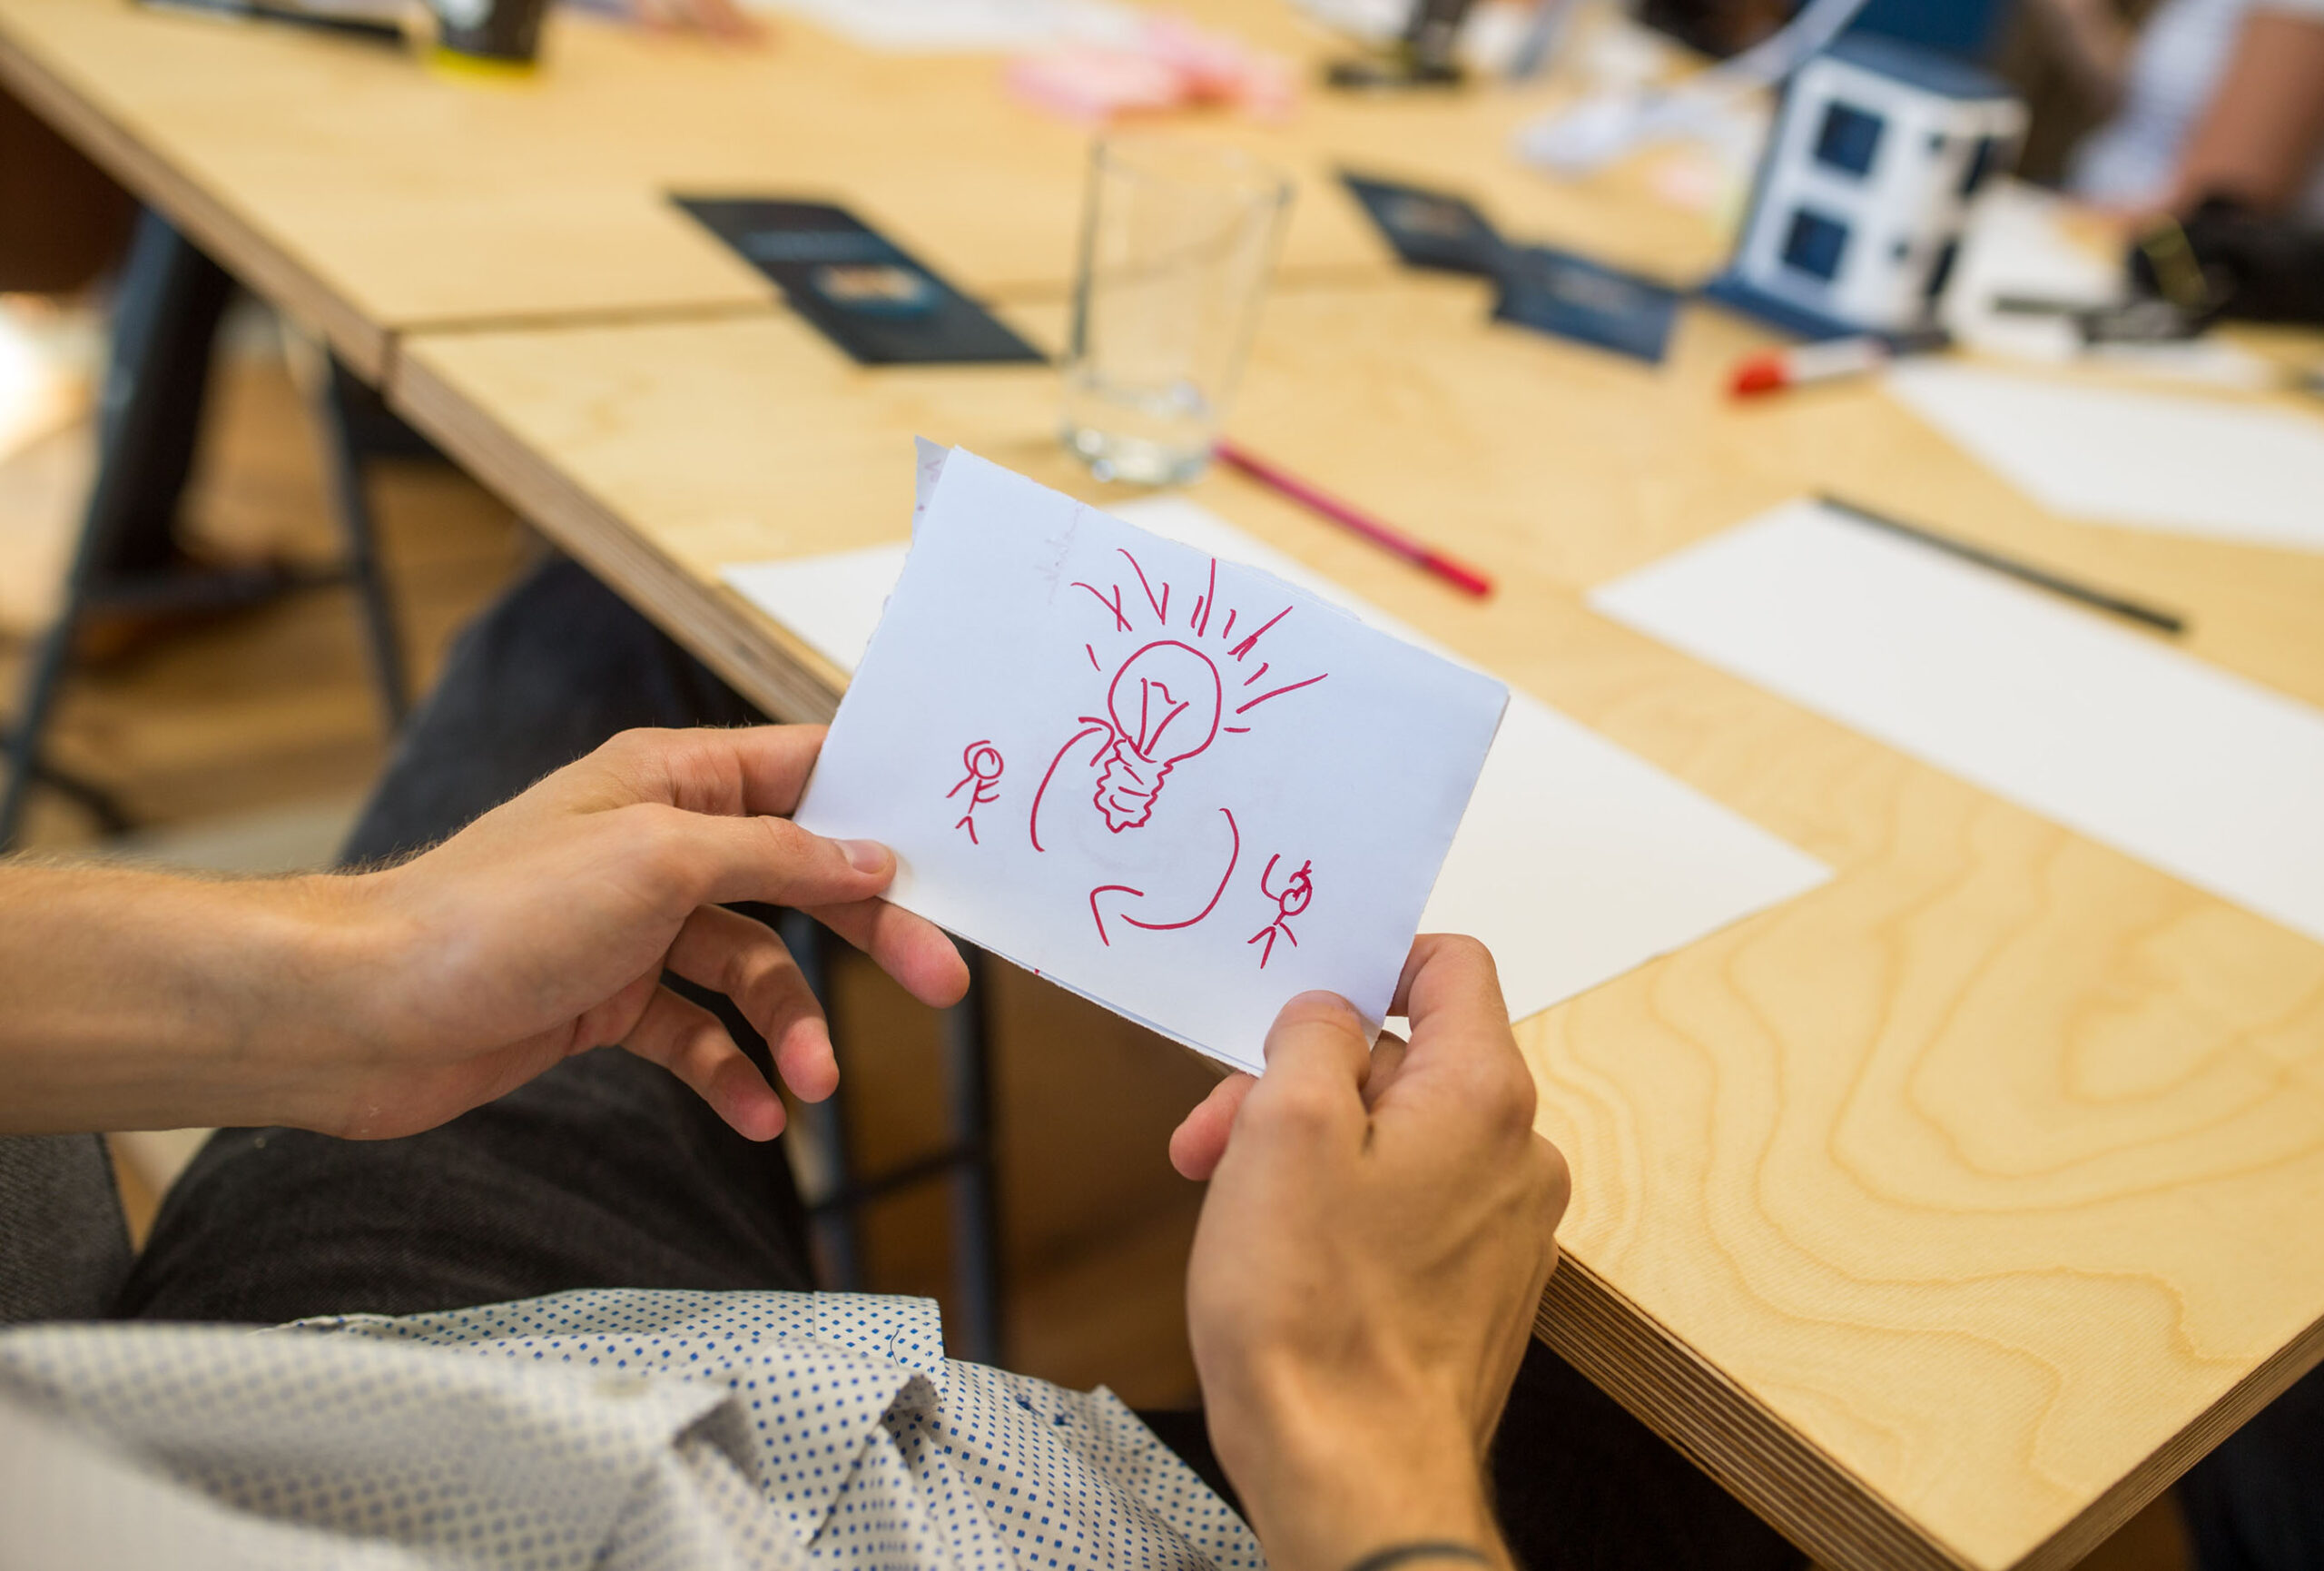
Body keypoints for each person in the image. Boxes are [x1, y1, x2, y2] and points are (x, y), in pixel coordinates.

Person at [0, 560, 1803, 1571]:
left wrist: (354, 977)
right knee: (1740, 1419)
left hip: (317, 1422)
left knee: (599, 626)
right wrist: (1364, 1444)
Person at [2027, 0, 2324, 219]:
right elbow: (2151, 105)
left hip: (2141, 261)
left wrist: (2045, 222)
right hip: (2089, 208)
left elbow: (2216, 211)